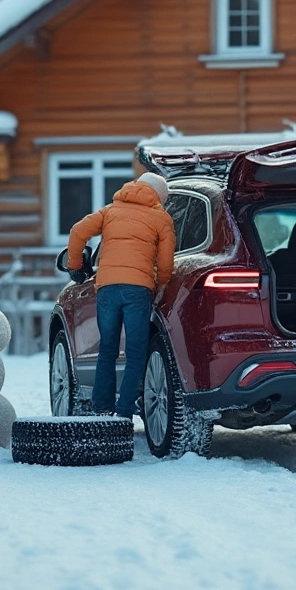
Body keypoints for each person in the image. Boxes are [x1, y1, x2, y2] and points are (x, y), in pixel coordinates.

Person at [67, 172, 175, 418]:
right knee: (136, 352)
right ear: (159, 196)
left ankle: (102, 408)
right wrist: (160, 283)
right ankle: (125, 410)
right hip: (137, 290)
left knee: (108, 349)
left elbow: (77, 232)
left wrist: (75, 267)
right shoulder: (161, 218)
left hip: (107, 288)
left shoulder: (110, 212)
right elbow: (166, 262)